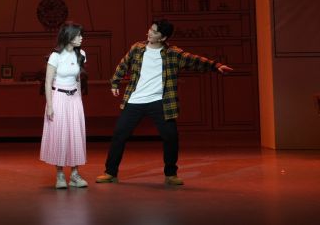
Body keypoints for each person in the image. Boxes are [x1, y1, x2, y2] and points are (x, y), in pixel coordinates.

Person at [95, 19, 233, 186]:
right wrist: (115, 83)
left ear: (163, 37)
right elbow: (123, 64)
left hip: (160, 101)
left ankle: (171, 174)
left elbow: (194, 60)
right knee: (119, 135)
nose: (149, 33)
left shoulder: (173, 53)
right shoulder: (137, 48)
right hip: (136, 100)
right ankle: (110, 173)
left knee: (171, 137)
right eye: (150, 29)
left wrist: (215, 66)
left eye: (154, 32)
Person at [40, 21, 88, 189]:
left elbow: (78, 79)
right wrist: (50, 105)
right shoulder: (55, 56)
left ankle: (75, 175)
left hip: (74, 99)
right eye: (78, 35)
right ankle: (60, 175)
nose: (81, 38)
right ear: (69, 36)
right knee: (60, 135)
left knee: (76, 135)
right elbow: (47, 82)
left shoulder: (81, 54)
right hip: (58, 98)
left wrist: (79, 100)